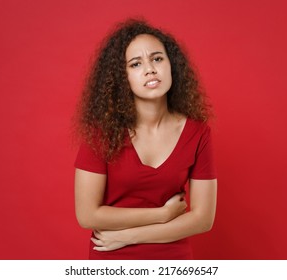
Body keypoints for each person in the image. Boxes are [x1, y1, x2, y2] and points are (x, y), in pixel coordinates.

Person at [73, 19, 217, 260]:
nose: (150, 69)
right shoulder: (102, 132)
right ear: (122, 77)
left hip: (171, 259)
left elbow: (203, 220)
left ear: (173, 66)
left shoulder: (198, 133)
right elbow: (87, 215)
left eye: (157, 59)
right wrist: (161, 215)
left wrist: (129, 236)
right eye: (136, 64)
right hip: (111, 259)